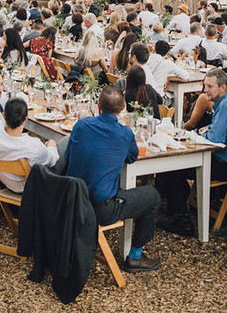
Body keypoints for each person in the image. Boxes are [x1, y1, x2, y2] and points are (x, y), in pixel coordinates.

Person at [65, 85, 161, 273]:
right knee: (153, 196)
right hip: (101, 208)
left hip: (73, 199)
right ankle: (135, 256)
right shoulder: (124, 134)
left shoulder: (81, 125)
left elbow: (69, 156)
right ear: (123, 107)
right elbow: (132, 157)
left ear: (98, 105)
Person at [158, 68, 227, 236]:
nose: (205, 90)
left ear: (222, 87)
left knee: (171, 168)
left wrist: (204, 133)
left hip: (224, 163)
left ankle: (182, 220)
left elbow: (214, 140)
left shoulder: (226, 107)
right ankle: (180, 204)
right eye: (204, 85)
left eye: (209, 86)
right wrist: (210, 128)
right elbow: (219, 131)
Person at [0, 97, 59, 188]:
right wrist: (51, 145)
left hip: (6, 184)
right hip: (30, 189)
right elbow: (51, 161)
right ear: (26, 118)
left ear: (3, 115)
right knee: (65, 143)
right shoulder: (33, 145)